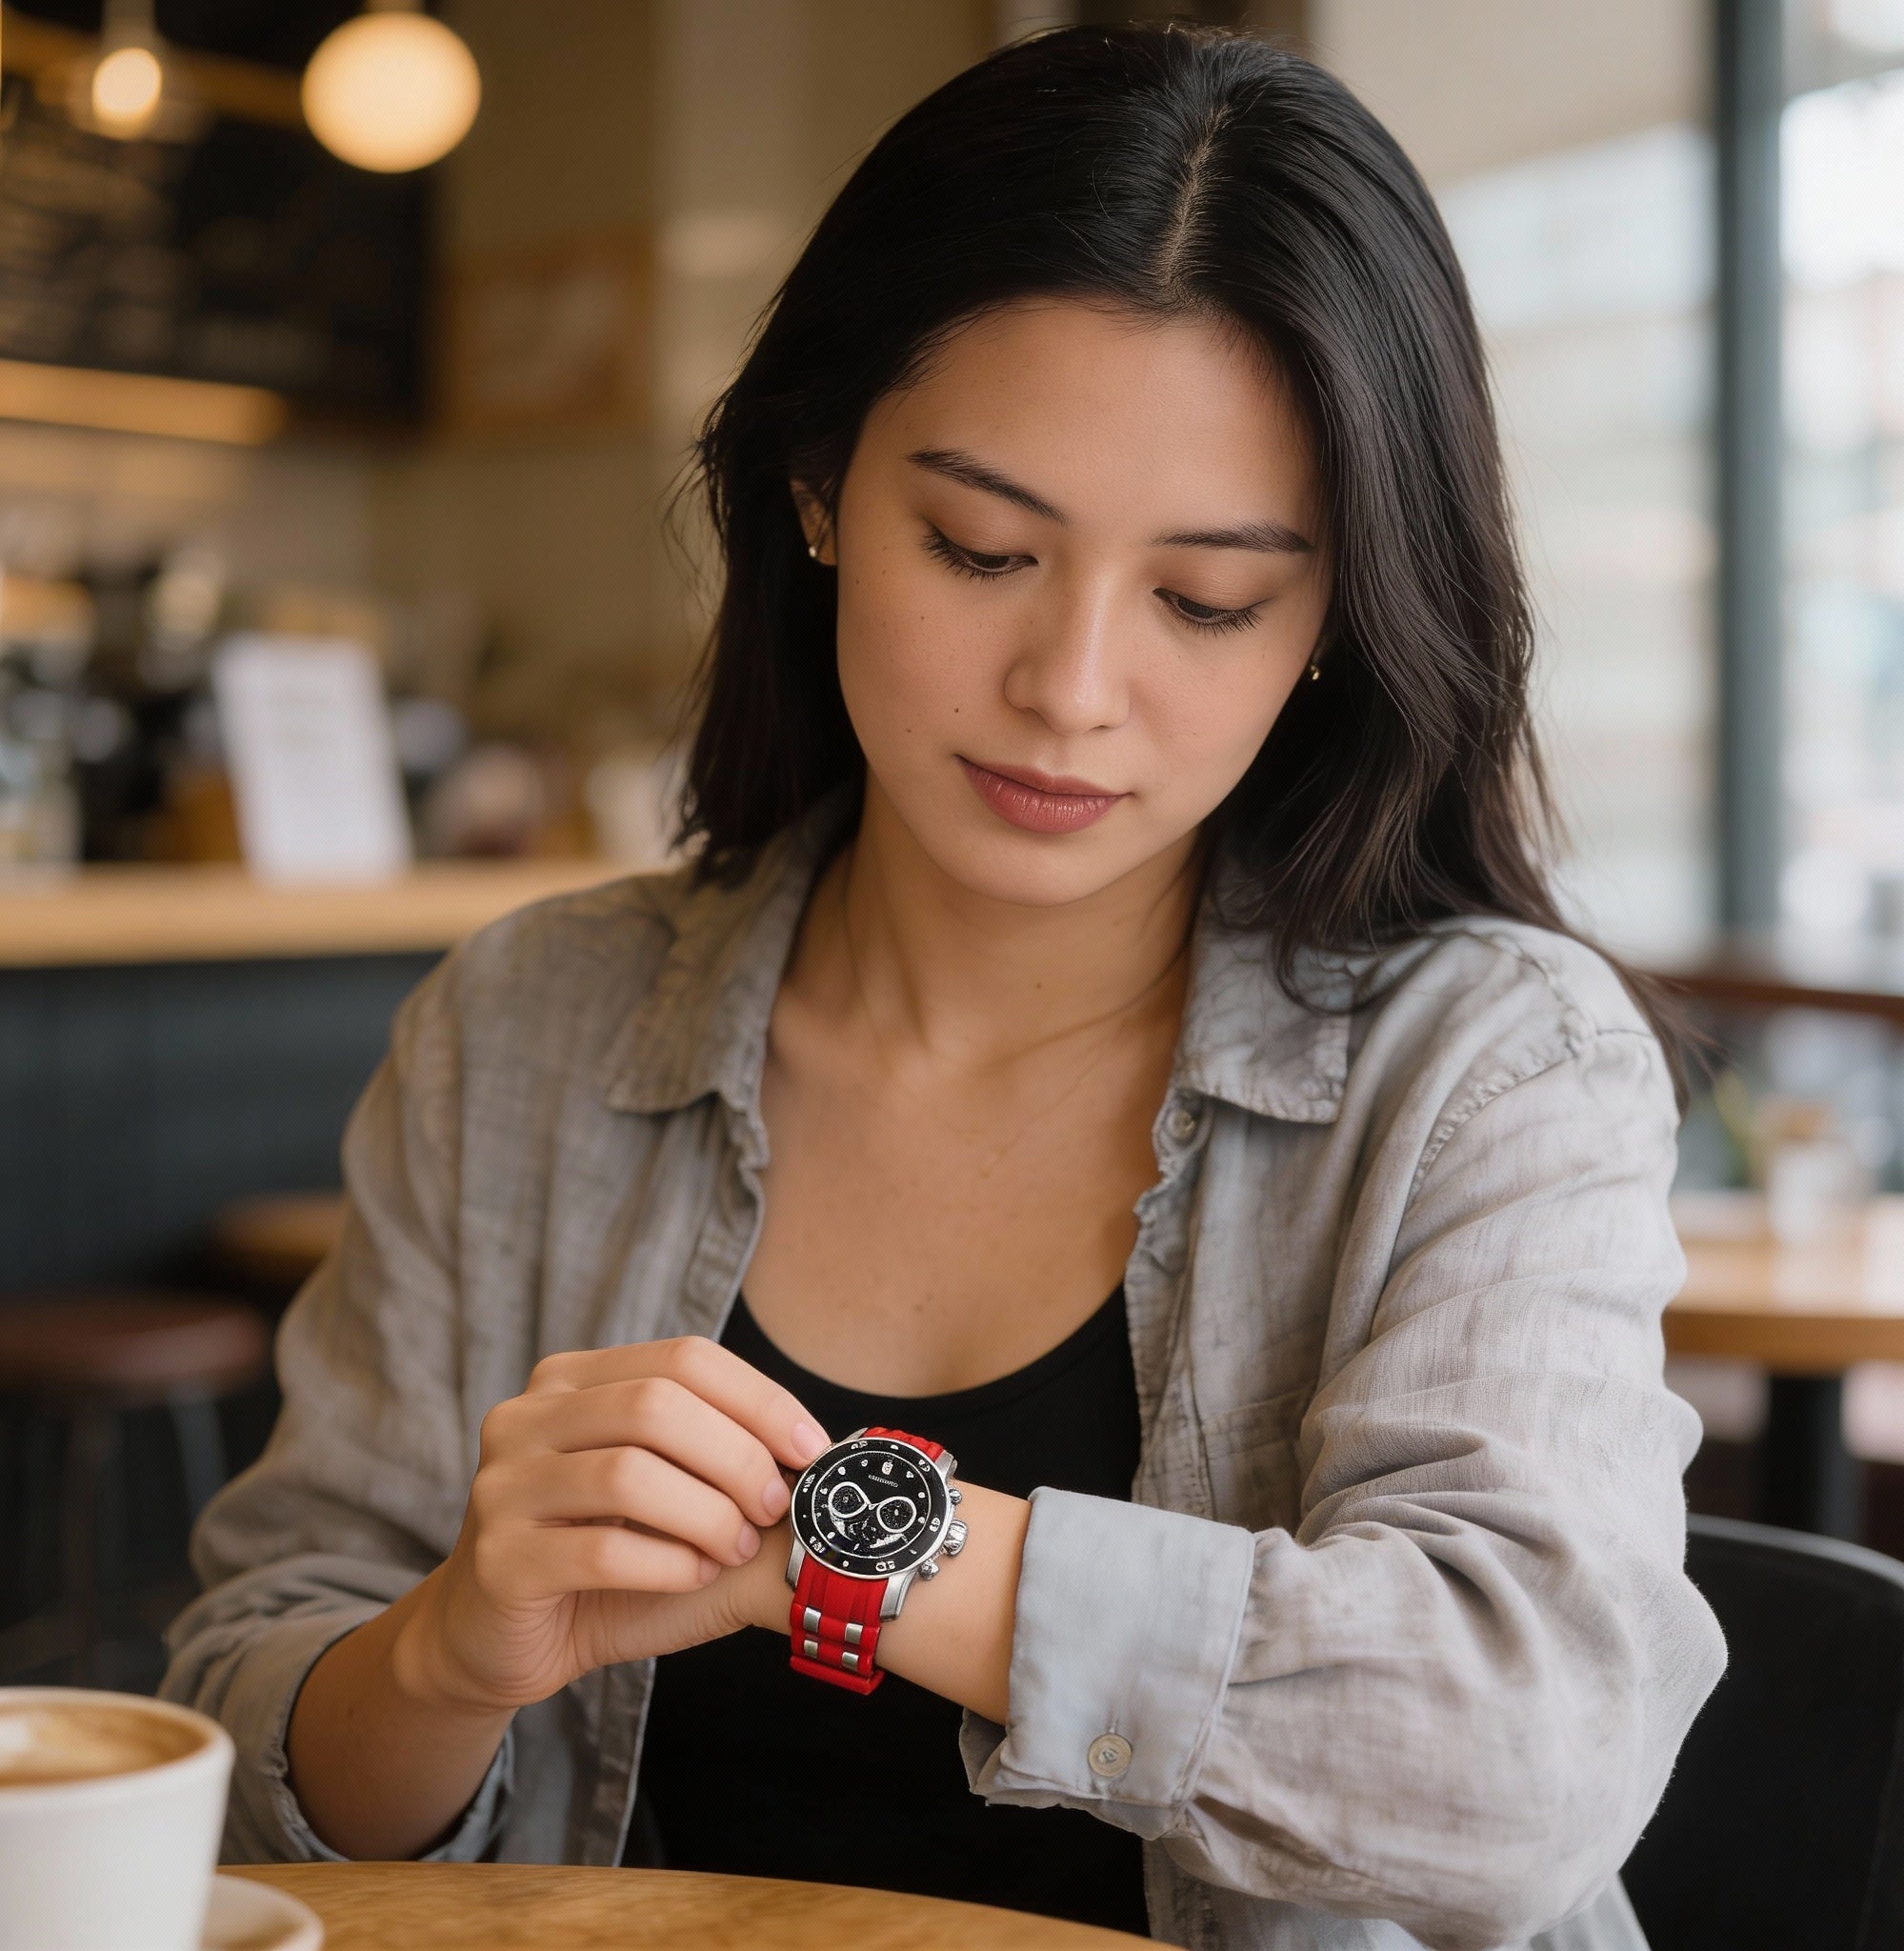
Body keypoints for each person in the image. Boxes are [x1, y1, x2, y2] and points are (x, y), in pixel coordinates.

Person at [162, 23, 1727, 1951]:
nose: (1070, 685)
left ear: (1339, 613)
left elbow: (1511, 1770)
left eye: (1206, 598)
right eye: (980, 545)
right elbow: (241, 1738)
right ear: (815, 487)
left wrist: (830, 1545)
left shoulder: (1489, 1065)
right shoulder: (530, 1027)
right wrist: (446, 1651)